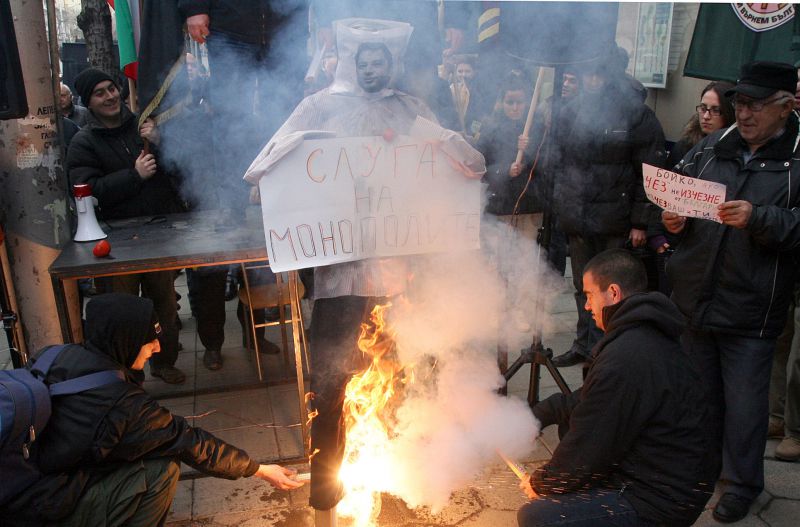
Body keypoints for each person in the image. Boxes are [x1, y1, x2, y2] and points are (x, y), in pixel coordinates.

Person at [244, 23, 485, 522]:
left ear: (392, 64)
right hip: (339, 282)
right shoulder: (317, 107)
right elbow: (264, 168)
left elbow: (467, 164)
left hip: (401, 278)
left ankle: (396, 473)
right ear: (349, 62)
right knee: (329, 388)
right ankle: (326, 504)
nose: (372, 70)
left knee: (404, 377)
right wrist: (294, 165)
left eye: (381, 62)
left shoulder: (412, 110)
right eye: (364, 61)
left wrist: (445, 143)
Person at [0, 293, 303, 527]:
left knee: (144, 451)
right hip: (37, 506)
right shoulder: (125, 406)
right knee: (163, 470)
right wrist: (260, 470)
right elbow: (191, 442)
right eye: (149, 341)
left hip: (16, 482)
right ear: (126, 341)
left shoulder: (55, 354)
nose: (157, 348)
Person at [662, 61, 800, 523]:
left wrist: (760, 218)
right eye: (740, 102)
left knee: (744, 407)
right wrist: (671, 223)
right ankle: (699, 474)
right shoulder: (711, 147)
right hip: (696, 297)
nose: (744, 113)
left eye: (757, 104)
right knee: (698, 399)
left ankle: (743, 485)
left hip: (752, 306)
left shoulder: (797, 157)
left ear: (786, 106)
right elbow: (673, 197)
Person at [519, 249, 717, 527]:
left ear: (612, 292)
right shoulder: (643, 332)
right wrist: (538, 414)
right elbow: (593, 399)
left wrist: (543, 483)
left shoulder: (626, 356)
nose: (587, 306)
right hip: (671, 473)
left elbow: (590, 441)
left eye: (589, 295)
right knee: (568, 434)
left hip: (661, 498)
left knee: (539, 515)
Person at [548, 44, 666, 368]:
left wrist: (641, 221)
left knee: (614, 291)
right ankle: (584, 345)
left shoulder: (636, 114)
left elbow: (650, 172)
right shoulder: (572, 111)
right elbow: (558, 162)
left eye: (598, 72)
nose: (591, 79)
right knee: (582, 288)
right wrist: (562, 204)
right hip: (578, 216)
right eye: (588, 72)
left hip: (616, 218)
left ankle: (609, 352)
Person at [66, 68, 186, 385]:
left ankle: (165, 361)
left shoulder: (143, 126)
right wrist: (133, 176)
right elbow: (85, 190)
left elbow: (176, 171)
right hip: (115, 241)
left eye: (111, 89)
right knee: (123, 310)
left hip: (157, 232)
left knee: (164, 304)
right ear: (88, 103)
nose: (110, 97)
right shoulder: (83, 143)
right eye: (100, 93)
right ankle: (125, 375)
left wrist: (161, 143)